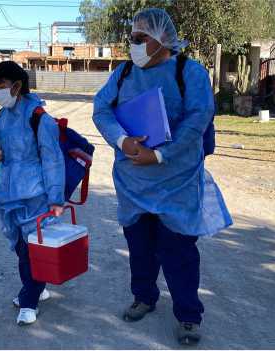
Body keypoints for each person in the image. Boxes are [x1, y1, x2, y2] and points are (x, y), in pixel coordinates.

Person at [92, 8, 232, 345]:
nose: (133, 44)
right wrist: (123, 140)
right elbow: (101, 109)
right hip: (133, 183)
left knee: (178, 253)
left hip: (177, 183)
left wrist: (159, 155)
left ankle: (187, 315)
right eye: (132, 38)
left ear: (162, 39)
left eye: (141, 38)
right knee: (139, 247)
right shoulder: (123, 73)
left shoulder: (189, 73)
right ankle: (144, 297)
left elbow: (198, 119)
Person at [0, 61, 65, 326]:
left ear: (17, 85)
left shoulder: (39, 117)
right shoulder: (1, 117)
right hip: (7, 193)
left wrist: (56, 199)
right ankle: (36, 286)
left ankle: (29, 300)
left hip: (35, 194)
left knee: (32, 249)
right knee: (19, 245)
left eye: (0, 86)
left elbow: (53, 160)